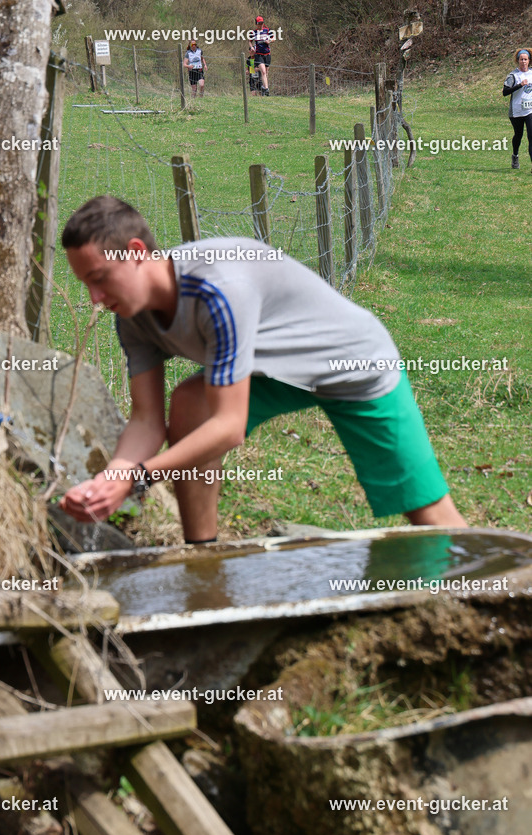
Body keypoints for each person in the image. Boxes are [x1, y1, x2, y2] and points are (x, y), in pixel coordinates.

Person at [59, 196, 467, 540]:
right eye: (86, 285)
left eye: (100, 278)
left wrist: (140, 477)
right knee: (189, 403)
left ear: (134, 253)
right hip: (272, 371)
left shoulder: (218, 290)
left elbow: (229, 426)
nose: (94, 298)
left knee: (429, 516)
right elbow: (147, 419)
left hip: (353, 367)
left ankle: (500, 590)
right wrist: (113, 476)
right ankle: (205, 560)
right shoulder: (130, 314)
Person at [503, 48, 532, 170]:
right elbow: (505, 92)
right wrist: (519, 85)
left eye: (525, 59)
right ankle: (515, 155)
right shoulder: (513, 75)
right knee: (518, 135)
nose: (523, 62)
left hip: (530, 111)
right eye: (521, 59)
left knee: (531, 137)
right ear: (517, 60)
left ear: (529, 61)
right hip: (516, 112)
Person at [251, 15, 271, 96]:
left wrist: (269, 41)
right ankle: (266, 89)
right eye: (259, 23)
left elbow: (273, 38)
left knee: (266, 73)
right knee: (263, 71)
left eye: (262, 23)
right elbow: (249, 41)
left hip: (267, 54)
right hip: (258, 55)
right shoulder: (253, 32)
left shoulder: (267, 30)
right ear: (256, 24)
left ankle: (264, 87)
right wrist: (252, 47)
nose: (261, 25)